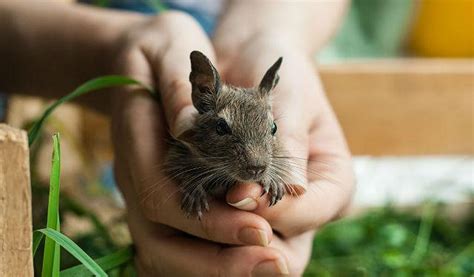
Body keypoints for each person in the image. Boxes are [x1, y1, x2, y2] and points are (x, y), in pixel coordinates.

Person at [0, 1, 354, 275]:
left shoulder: (266, 152)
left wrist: (275, 33)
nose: (256, 160)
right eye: (223, 130)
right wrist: (192, 189)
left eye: (270, 132)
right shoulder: (190, 146)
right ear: (201, 96)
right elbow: (174, 166)